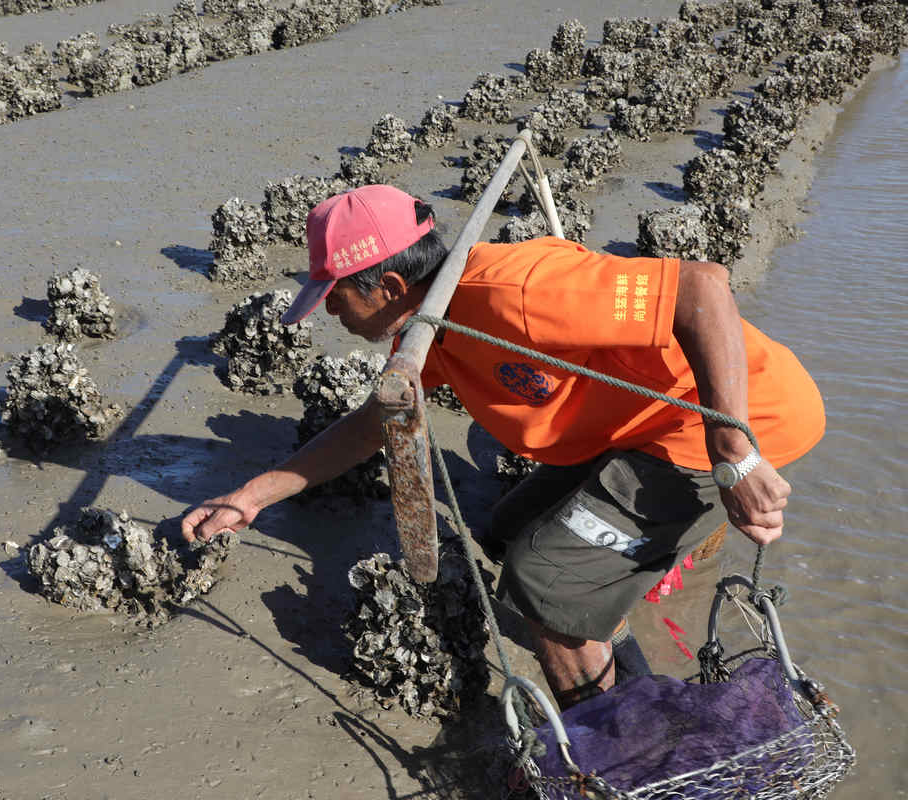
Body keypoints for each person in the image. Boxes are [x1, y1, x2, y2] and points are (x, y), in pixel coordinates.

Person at [181, 184, 825, 708]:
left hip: (732, 421)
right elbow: (370, 424)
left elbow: (701, 286)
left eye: (336, 295)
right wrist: (250, 498)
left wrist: (733, 450)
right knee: (512, 528)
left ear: (389, 289)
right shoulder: (429, 329)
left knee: (543, 577)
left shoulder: (515, 292)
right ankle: (626, 682)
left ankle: (616, 745)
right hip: (639, 427)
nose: (329, 314)